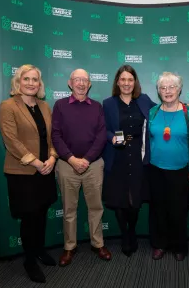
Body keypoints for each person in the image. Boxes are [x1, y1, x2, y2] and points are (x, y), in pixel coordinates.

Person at [0, 64, 58, 283]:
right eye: (27, 79)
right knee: (29, 217)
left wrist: (52, 157)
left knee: (41, 213)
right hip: (23, 172)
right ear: (18, 81)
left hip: (46, 168)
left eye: (35, 80)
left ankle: (40, 251)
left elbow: (52, 136)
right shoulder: (8, 106)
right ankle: (29, 260)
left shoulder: (44, 106)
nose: (31, 83)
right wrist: (35, 163)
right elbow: (11, 141)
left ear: (39, 84)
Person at [52, 68, 111, 267]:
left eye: (85, 80)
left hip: (93, 165)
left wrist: (86, 159)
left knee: (96, 207)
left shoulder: (97, 107)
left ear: (90, 84)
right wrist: (71, 159)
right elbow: (56, 136)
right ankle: (69, 247)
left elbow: (102, 136)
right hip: (67, 165)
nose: (81, 83)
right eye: (77, 80)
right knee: (69, 209)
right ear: (70, 83)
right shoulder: (60, 106)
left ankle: (98, 243)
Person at [148, 72, 189, 261]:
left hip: (180, 171)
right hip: (155, 169)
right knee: (158, 210)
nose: (167, 91)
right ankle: (159, 244)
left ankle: (179, 246)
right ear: (158, 91)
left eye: (171, 87)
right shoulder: (153, 112)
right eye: (163, 88)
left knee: (178, 211)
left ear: (179, 89)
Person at [102, 65, 156, 257]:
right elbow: (104, 129)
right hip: (117, 155)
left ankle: (131, 231)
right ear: (117, 82)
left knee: (134, 200)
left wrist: (183, 107)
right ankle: (125, 235)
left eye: (130, 80)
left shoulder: (143, 100)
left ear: (135, 82)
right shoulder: (108, 103)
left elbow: (161, 111)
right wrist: (111, 138)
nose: (126, 83)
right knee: (119, 200)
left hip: (138, 154)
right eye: (123, 79)